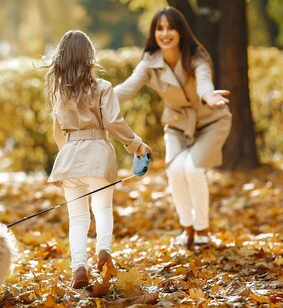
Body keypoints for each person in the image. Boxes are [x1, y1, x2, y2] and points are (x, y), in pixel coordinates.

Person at [114, 7, 232, 249]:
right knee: (175, 170)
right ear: (154, 33)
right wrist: (94, 101)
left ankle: (202, 229)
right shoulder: (150, 62)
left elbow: (204, 82)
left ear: (181, 31)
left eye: (171, 28)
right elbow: (126, 89)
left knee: (193, 169)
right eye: (160, 28)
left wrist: (208, 96)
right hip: (178, 126)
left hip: (211, 122)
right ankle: (187, 229)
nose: (165, 33)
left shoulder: (196, 56)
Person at [44, 30, 152, 289]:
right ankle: (103, 250)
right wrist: (136, 145)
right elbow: (114, 122)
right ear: (90, 58)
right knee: (102, 209)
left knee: (77, 219)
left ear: (62, 60)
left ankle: (79, 268)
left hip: (69, 159)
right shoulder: (103, 88)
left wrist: (68, 155)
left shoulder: (60, 94)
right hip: (98, 157)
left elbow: (58, 133)